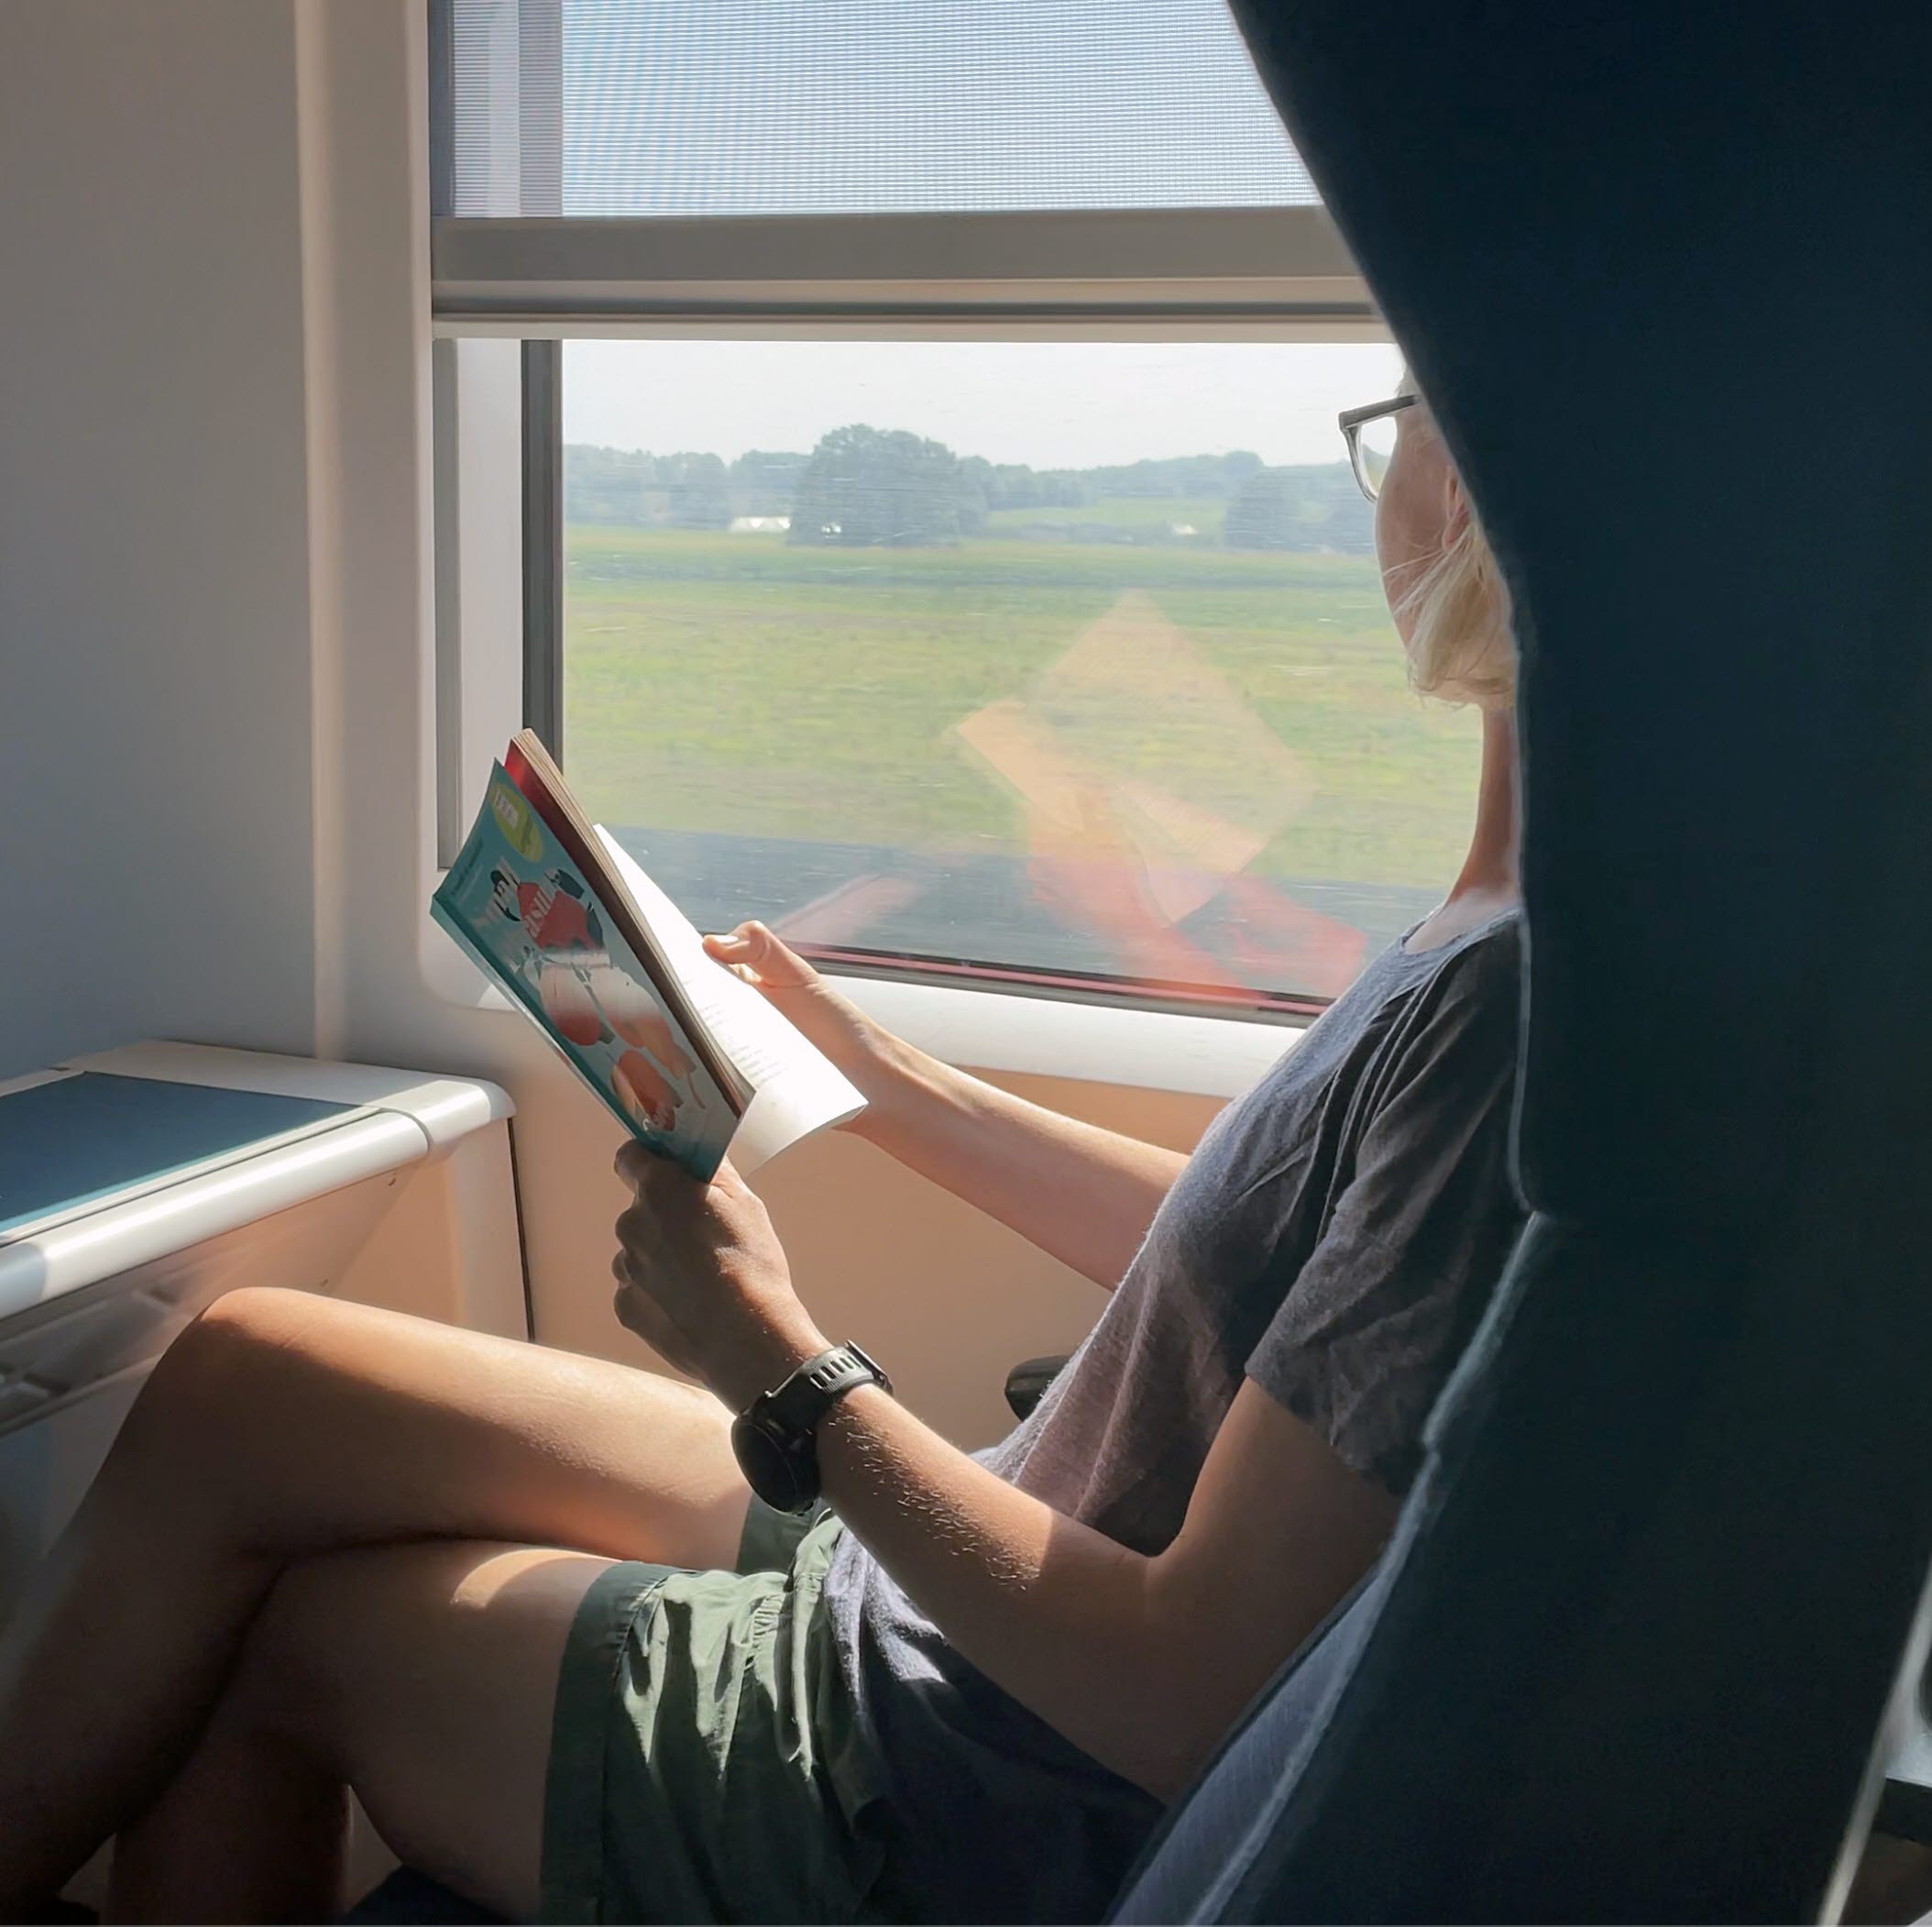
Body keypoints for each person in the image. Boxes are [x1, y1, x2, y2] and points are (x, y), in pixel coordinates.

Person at [0, 377, 1525, 1926]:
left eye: (1405, 414)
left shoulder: (1503, 1006)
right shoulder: (1485, 928)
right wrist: (880, 1070)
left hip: (949, 1758)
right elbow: (1260, 1263)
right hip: (970, 1577)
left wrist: (782, 1369)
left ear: (1481, 500)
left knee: (293, 1640)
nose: (1381, 473)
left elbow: (1188, 1691)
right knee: (255, 1375)